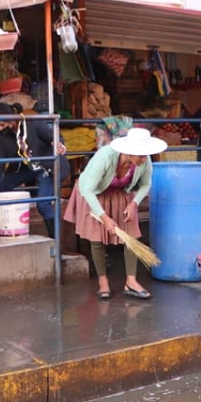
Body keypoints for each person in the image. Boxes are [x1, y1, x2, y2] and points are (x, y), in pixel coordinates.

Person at [63, 127, 167, 300]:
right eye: (141, 155)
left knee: (131, 236)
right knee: (97, 238)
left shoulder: (144, 161)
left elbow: (146, 184)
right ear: (129, 151)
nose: (144, 158)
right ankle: (103, 281)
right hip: (94, 193)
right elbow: (87, 190)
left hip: (120, 193)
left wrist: (134, 203)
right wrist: (104, 217)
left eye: (145, 155)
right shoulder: (105, 157)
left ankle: (131, 281)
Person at [0, 103, 70, 238]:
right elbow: (0, 160)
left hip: (48, 166)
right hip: (29, 166)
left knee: (43, 203)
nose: (0, 129)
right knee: (3, 185)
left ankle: (55, 240)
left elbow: (54, 136)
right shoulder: (5, 135)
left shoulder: (32, 123)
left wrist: (58, 144)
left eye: (2, 124)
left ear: (10, 118)